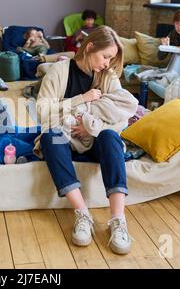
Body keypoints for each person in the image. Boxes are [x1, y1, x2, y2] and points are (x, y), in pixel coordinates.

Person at [35, 25, 138, 254]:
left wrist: (91, 127)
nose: (107, 63)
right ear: (90, 47)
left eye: (110, 58)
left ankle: (118, 220)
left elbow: (121, 114)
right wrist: (82, 98)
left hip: (94, 139)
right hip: (65, 138)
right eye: (105, 56)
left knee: (111, 136)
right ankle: (82, 214)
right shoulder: (59, 71)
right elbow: (42, 111)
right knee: (50, 136)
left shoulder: (107, 76)